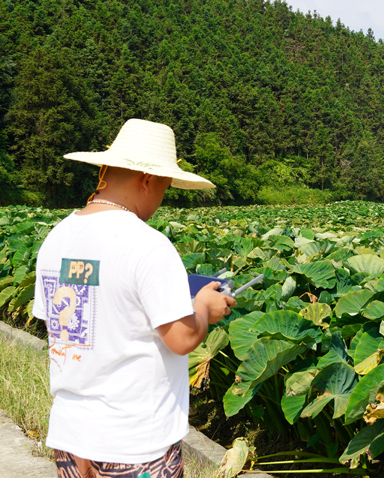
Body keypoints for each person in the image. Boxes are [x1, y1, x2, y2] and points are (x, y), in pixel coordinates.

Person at [33, 118, 235, 478]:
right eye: (164, 187)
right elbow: (182, 338)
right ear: (147, 180)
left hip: (71, 432)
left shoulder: (58, 236)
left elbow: (62, 324)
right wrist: (204, 306)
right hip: (134, 440)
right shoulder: (147, 243)